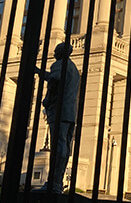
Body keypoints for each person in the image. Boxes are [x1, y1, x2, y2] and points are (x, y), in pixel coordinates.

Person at [35, 41, 80, 193]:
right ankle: (57, 183)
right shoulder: (73, 68)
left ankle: (53, 184)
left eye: (55, 51)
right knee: (64, 146)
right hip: (70, 113)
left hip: (59, 111)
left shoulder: (59, 64)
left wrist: (48, 99)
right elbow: (56, 78)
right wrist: (40, 72)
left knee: (58, 146)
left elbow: (54, 80)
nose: (54, 54)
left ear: (61, 53)